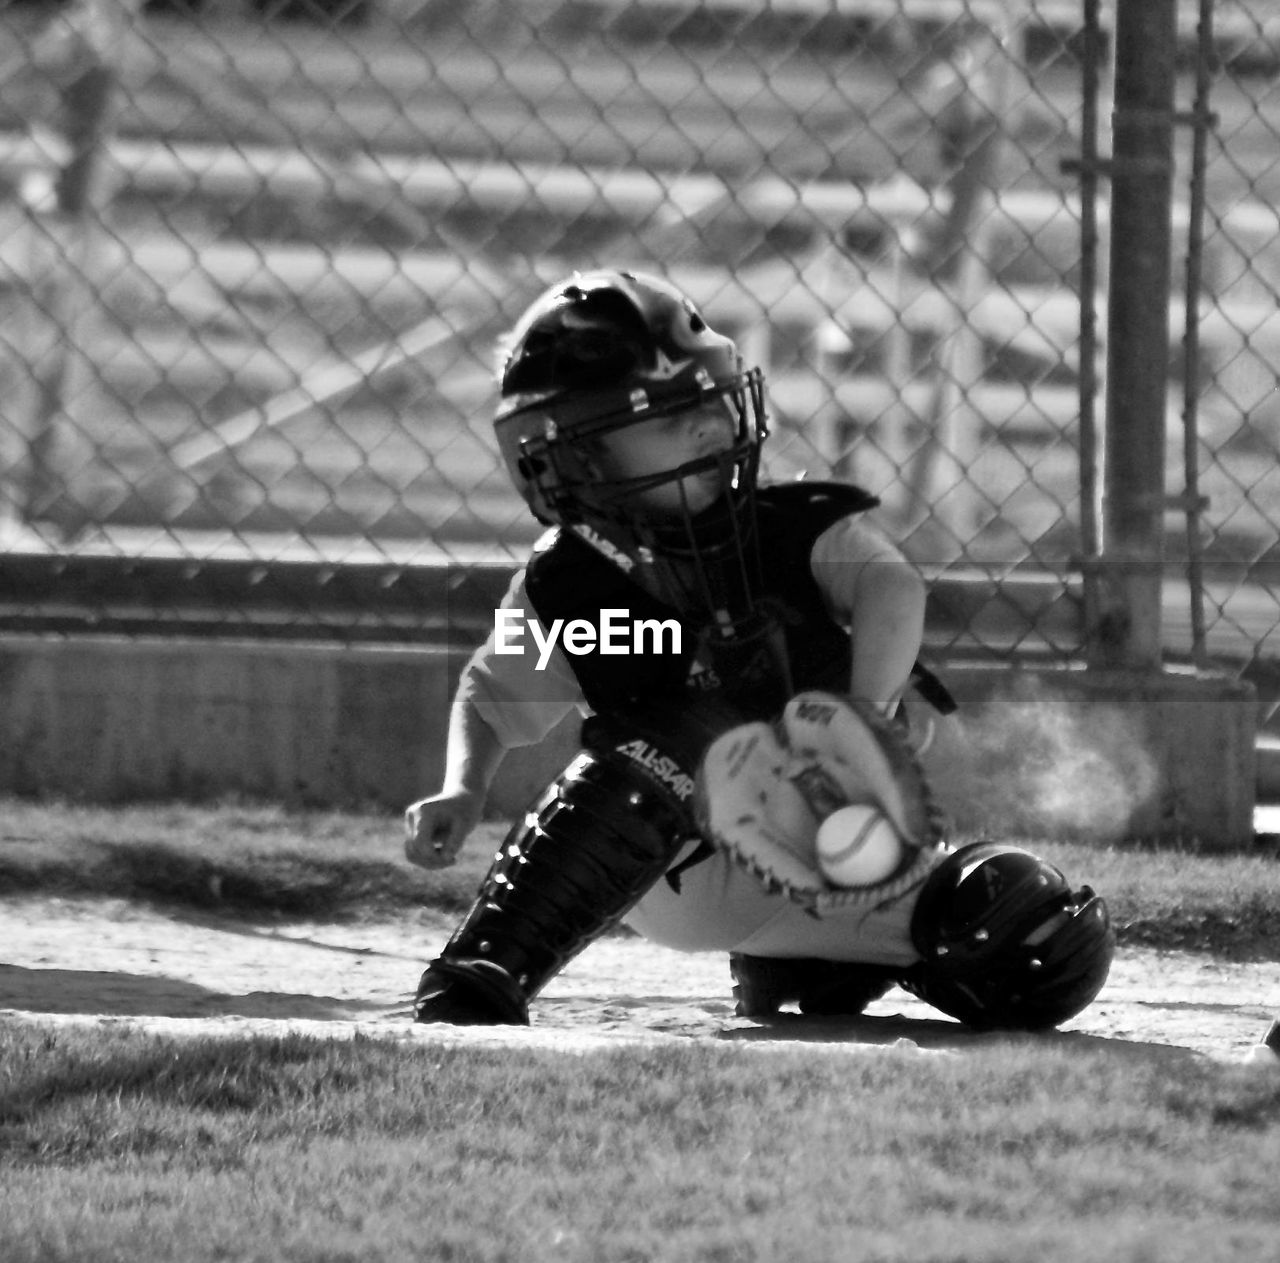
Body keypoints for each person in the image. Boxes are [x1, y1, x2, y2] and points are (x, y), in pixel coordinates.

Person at [404, 268, 1113, 1028]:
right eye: (674, 416)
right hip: (675, 854)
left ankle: (809, 960)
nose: (710, 425)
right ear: (577, 460)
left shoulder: (790, 525)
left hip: (820, 846)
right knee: (687, 729)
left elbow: (891, 589)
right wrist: (464, 786)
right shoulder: (572, 583)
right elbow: (489, 692)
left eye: (711, 401)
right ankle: (484, 968)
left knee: (1034, 938)